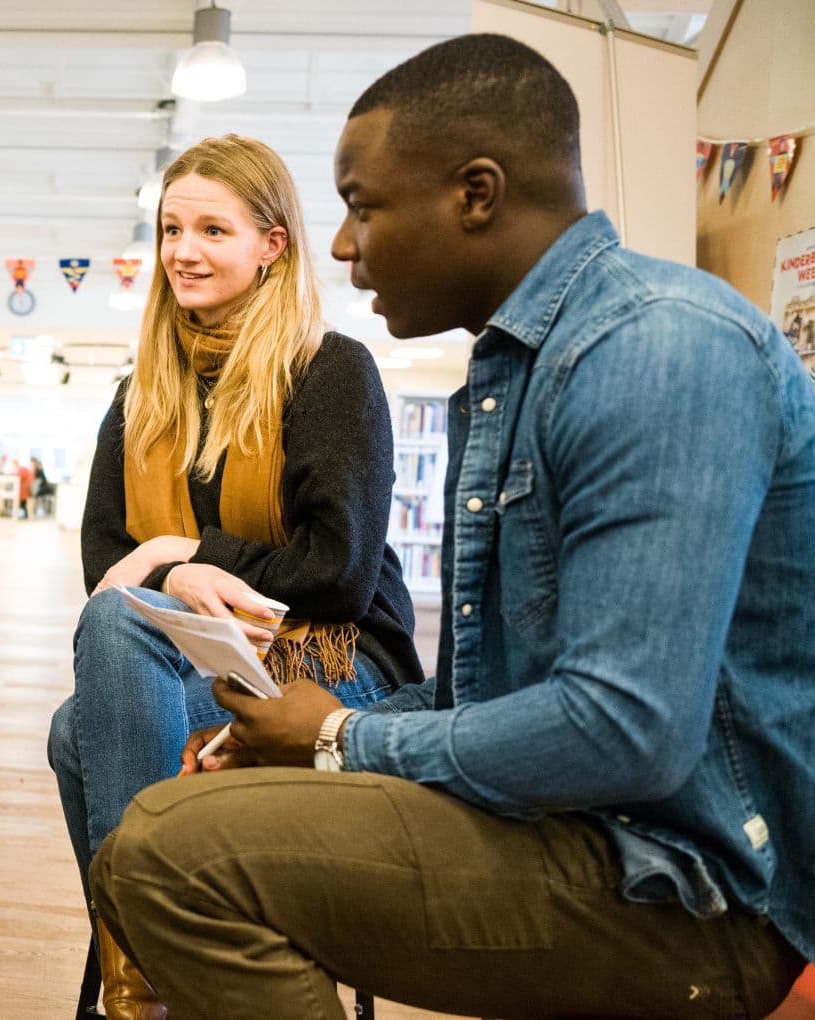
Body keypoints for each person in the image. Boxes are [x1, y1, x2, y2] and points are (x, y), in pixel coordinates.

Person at [91, 35, 815, 1020]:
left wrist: (345, 733)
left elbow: (625, 732)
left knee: (175, 856)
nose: (342, 247)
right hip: (590, 830)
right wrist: (321, 735)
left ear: (475, 194)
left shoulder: (655, 348)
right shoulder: (525, 372)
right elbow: (498, 690)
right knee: (171, 809)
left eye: (362, 207)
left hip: (688, 886)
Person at [50, 133, 423, 1019]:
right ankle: (164, 970)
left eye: (212, 229)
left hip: (336, 657)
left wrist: (183, 555)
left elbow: (335, 570)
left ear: (272, 244)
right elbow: (108, 564)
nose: (183, 251)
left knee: (81, 727)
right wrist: (167, 579)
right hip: (195, 653)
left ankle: (139, 970)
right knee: (87, 701)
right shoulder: (140, 392)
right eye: (172, 228)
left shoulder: (330, 370)